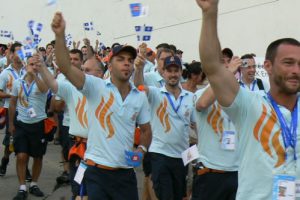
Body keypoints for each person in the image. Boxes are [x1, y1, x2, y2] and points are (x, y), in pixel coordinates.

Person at [196, 0, 300, 199]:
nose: (296, 70)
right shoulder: (249, 105)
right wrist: (210, 13)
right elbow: (213, 67)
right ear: (268, 66)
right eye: (288, 63)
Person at [51, 12, 152, 200]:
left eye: (130, 60)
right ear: (110, 66)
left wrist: (141, 150)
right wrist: (59, 36)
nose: (127, 64)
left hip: (125, 175)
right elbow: (65, 66)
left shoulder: (139, 97)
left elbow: (146, 131)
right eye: (120, 59)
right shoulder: (95, 86)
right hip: (97, 172)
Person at [135, 54, 196, 200]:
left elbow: (196, 126)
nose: (173, 74)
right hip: (160, 155)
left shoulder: (190, 97)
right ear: (163, 73)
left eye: (176, 71)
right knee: (165, 195)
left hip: (182, 157)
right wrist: (139, 69)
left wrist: (199, 151)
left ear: (181, 72)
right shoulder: (156, 93)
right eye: (169, 71)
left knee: (178, 196)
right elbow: (139, 86)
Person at [9, 56, 49, 200]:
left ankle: (34, 184)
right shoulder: (18, 83)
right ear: (26, 65)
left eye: (36, 65)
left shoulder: (43, 80)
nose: (33, 67)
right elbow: (13, 103)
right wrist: (11, 124)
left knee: (38, 157)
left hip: (38, 124)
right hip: (21, 124)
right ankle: (22, 187)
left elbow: (45, 90)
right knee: (21, 155)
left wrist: (35, 76)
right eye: (31, 64)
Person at [0, 42, 27, 177]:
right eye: (17, 51)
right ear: (11, 54)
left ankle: (25, 169)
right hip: (10, 110)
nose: (20, 54)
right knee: (10, 141)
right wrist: (13, 95)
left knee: (24, 141)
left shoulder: (27, 71)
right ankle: (5, 160)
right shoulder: (5, 73)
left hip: (25, 111)